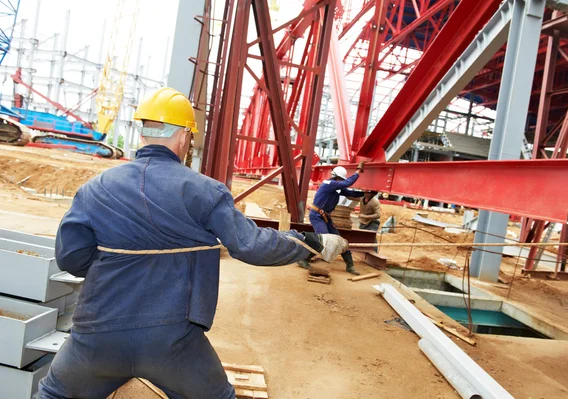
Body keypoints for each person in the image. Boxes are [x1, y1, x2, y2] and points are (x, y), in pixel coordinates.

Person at [38, 87, 348, 399]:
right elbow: (252, 246)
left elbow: (71, 259)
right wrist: (310, 241)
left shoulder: (95, 189)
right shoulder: (205, 192)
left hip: (96, 336)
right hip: (173, 342)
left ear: (143, 132)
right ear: (185, 137)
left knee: (53, 395)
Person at [299, 163, 365, 275]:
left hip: (326, 217)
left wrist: (366, 193)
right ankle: (304, 259)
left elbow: (350, 193)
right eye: (341, 179)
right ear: (337, 177)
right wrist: (358, 172)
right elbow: (348, 183)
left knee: (339, 240)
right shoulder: (328, 184)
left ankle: (350, 266)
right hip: (317, 216)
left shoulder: (336, 188)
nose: (341, 182)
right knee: (324, 240)